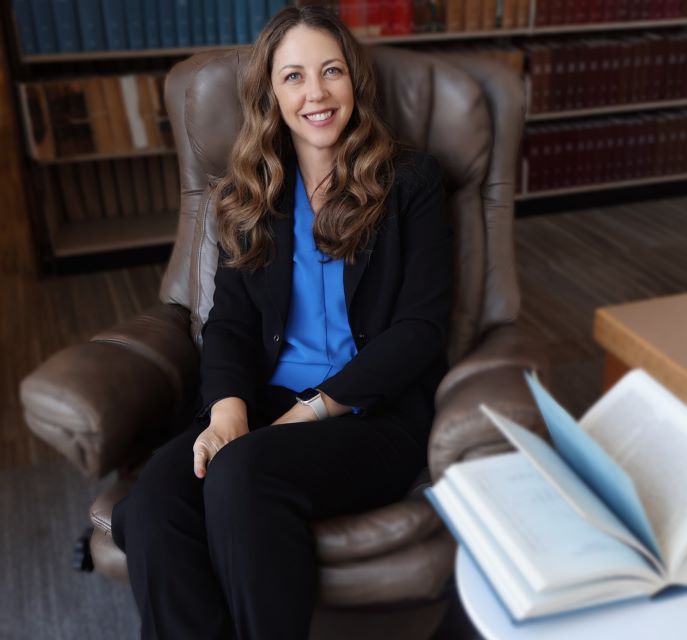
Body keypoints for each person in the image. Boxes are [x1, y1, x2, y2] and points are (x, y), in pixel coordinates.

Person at [110, 6, 452, 639]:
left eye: (331, 71)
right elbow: (230, 325)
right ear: (271, 94)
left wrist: (311, 411)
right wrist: (227, 413)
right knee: (153, 504)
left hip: (370, 415)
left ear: (356, 81)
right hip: (265, 402)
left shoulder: (411, 182)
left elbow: (421, 330)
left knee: (241, 474)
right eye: (294, 76)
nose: (315, 92)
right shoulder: (251, 194)